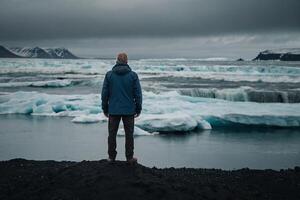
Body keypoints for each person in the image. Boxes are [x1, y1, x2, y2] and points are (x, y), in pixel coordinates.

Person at [101, 53, 142, 164]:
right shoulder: (133, 76)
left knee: (112, 134)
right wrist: (138, 109)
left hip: (113, 109)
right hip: (129, 110)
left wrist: (105, 108)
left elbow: (104, 93)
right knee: (129, 135)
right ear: (127, 61)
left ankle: (111, 157)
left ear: (117, 60)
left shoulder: (109, 75)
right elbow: (138, 94)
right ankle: (129, 158)